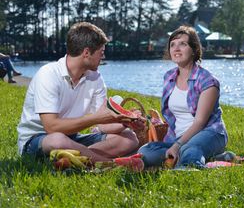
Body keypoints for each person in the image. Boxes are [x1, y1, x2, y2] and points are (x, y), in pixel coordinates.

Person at [17, 22, 141, 162]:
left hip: (71, 138)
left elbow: (102, 125)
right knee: (58, 140)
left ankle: (74, 159)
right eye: (101, 53)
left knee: (129, 138)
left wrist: (125, 122)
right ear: (86, 53)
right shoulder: (49, 74)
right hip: (38, 140)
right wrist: (95, 119)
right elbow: (51, 127)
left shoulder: (95, 78)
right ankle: (106, 163)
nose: (103, 58)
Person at [138, 25, 228, 169]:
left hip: (209, 133)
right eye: (172, 45)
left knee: (190, 148)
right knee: (145, 151)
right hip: (178, 137)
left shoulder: (208, 81)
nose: (176, 48)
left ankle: (189, 166)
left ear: (194, 50)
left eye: (183, 44)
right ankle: (213, 158)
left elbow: (199, 122)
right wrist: (174, 143)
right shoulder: (169, 77)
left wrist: (177, 145)